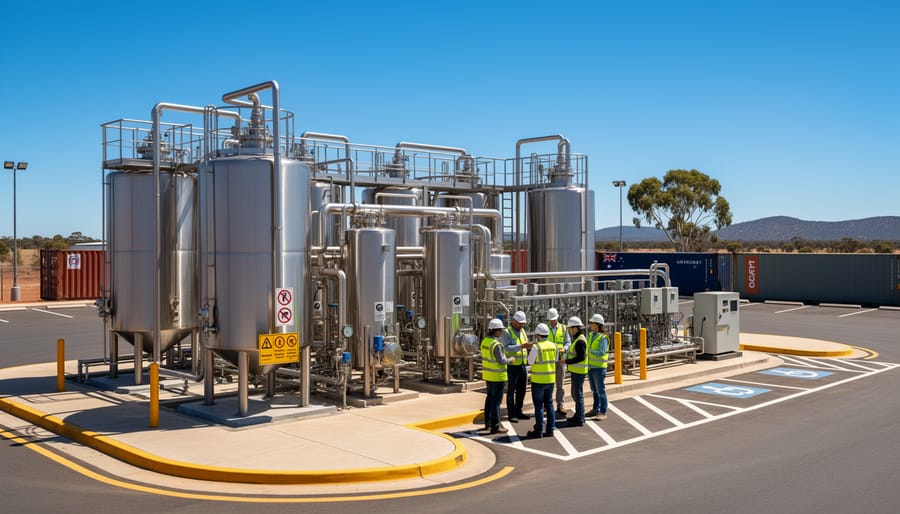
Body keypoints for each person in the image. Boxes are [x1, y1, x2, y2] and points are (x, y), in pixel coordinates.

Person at [480, 318, 514, 434]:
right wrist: (510, 360)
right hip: (498, 376)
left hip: (488, 375)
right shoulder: (496, 345)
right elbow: (501, 360)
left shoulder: (485, 342)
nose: (501, 332)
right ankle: (495, 426)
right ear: (496, 331)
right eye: (500, 330)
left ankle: (488, 423)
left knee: (489, 399)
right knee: (496, 402)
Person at [526, 323, 557, 438]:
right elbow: (556, 359)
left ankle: (538, 430)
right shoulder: (554, 346)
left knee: (539, 406)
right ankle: (550, 429)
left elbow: (530, 362)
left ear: (538, 335)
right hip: (550, 379)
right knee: (549, 404)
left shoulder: (536, 347)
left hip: (538, 380)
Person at [503, 311, 531, 422]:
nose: (521, 325)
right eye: (520, 323)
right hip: (512, 365)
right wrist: (521, 346)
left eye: (523, 323)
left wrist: (528, 347)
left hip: (522, 364)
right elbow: (506, 348)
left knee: (522, 389)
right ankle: (511, 413)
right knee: (511, 389)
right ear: (514, 321)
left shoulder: (522, 331)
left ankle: (519, 411)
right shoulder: (507, 332)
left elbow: (524, 343)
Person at [564, 316, 588, 427]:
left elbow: (580, 357)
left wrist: (567, 361)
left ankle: (580, 418)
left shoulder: (580, 341)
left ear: (575, 328)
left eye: (570, 328)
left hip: (579, 371)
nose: (569, 330)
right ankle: (578, 415)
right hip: (576, 371)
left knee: (578, 395)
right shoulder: (577, 339)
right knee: (575, 394)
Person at [586, 313, 610, 420]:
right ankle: (596, 409)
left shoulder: (603, 338)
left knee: (600, 390)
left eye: (592, 323)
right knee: (594, 390)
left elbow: (601, 352)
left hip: (599, 368)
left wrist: (589, 351)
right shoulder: (591, 335)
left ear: (598, 325)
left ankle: (603, 412)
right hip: (591, 367)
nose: (591, 325)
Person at [546, 307, 570, 416]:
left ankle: (560, 405)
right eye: (551, 320)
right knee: (548, 384)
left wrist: (565, 348)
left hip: (560, 359)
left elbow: (568, 342)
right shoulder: (545, 328)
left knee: (560, 384)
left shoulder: (563, 328)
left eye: (554, 320)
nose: (552, 322)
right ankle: (547, 404)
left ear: (557, 318)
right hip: (549, 360)